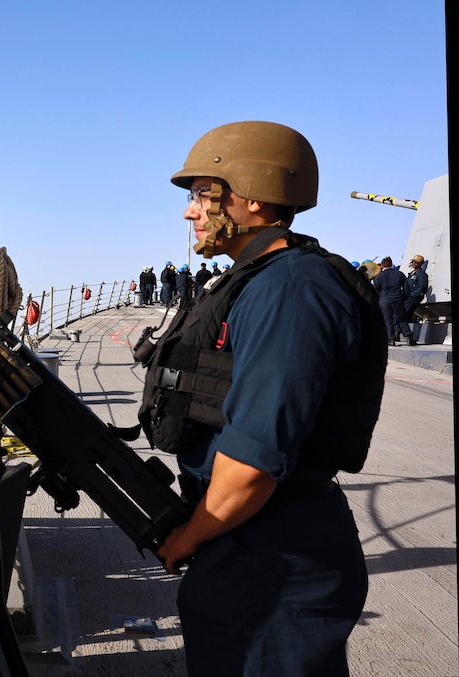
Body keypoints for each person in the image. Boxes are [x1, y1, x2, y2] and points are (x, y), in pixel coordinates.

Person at [137, 121, 386, 676]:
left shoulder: (292, 289)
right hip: (249, 541)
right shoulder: (260, 281)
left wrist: (187, 537)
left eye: (202, 193)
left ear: (251, 196)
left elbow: (254, 459)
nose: (190, 211)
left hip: (272, 557)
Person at [373, 256, 414, 345]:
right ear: (391, 264)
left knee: (387, 319)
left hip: (384, 300)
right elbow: (406, 288)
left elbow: (376, 289)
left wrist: (380, 298)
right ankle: (408, 337)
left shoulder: (379, 276)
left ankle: (390, 339)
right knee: (401, 318)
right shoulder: (399, 274)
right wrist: (405, 297)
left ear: (382, 265)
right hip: (398, 299)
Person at [404, 254, 428, 324]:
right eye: (413, 261)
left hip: (412, 298)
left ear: (421, 264)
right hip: (406, 298)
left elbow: (422, 287)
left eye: (416, 262)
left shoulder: (421, 274)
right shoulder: (411, 274)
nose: (413, 263)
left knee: (403, 316)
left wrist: (412, 295)